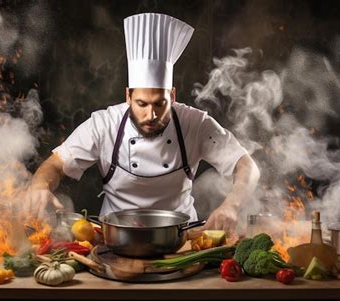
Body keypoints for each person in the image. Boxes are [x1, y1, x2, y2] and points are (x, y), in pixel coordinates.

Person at [25, 13, 260, 234]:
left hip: (182, 239)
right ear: (128, 96)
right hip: (115, 239)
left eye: (159, 104)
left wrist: (232, 205)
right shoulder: (104, 125)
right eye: (141, 104)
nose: (151, 114)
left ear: (173, 96)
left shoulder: (195, 124)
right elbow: (55, 165)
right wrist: (39, 186)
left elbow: (246, 166)